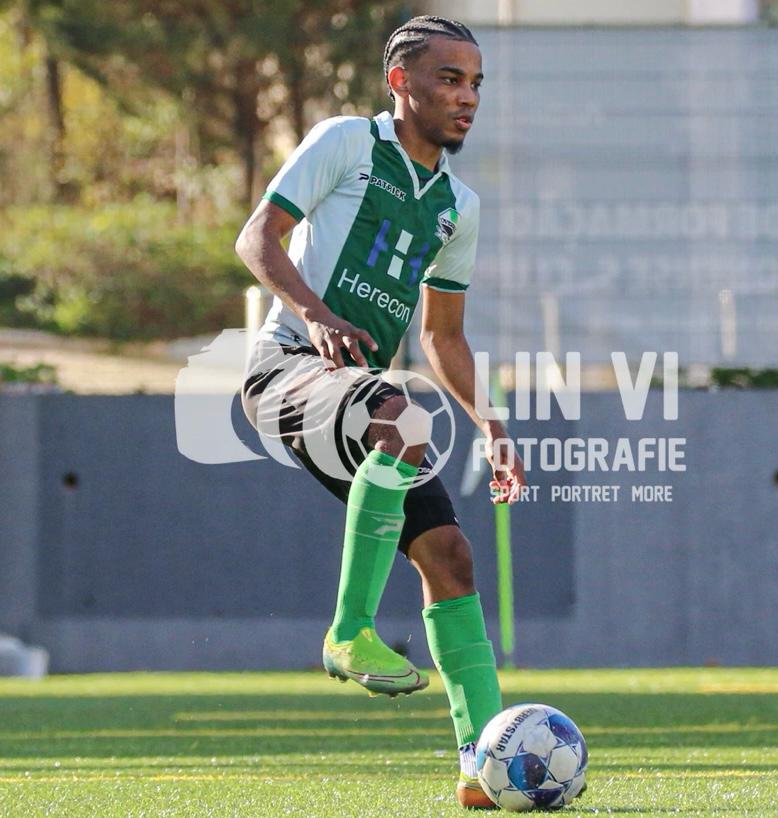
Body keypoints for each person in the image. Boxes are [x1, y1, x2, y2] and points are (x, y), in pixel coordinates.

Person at [236, 15, 525, 809]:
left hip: (363, 400)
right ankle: (349, 631)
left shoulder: (459, 207)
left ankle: (482, 763)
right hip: (286, 369)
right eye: (449, 79)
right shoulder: (345, 142)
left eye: (475, 84)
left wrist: (493, 425)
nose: (467, 98)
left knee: (451, 557)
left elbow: (443, 336)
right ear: (401, 81)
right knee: (401, 418)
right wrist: (315, 314)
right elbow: (257, 238)